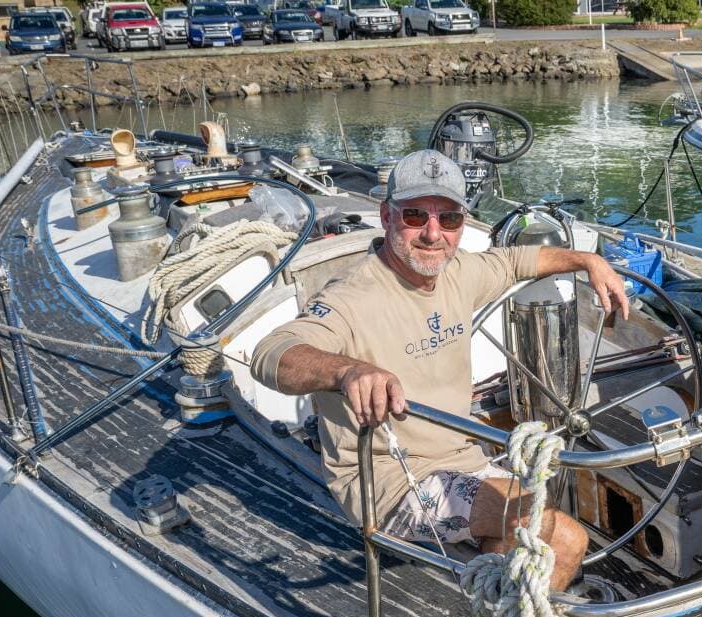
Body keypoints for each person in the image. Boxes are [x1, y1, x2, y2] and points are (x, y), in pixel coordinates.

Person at [250, 149, 629, 591]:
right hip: (390, 484)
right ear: (386, 217)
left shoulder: (460, 273)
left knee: (545, 533)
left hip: (465, 462)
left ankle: (502, 611)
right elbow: (272, 353)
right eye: (415, 216)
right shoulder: (350, 298)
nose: (433, 234)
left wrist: (588, 261)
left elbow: (517, 262)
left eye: (449, 219)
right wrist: (347, 371)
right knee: (561, 535)